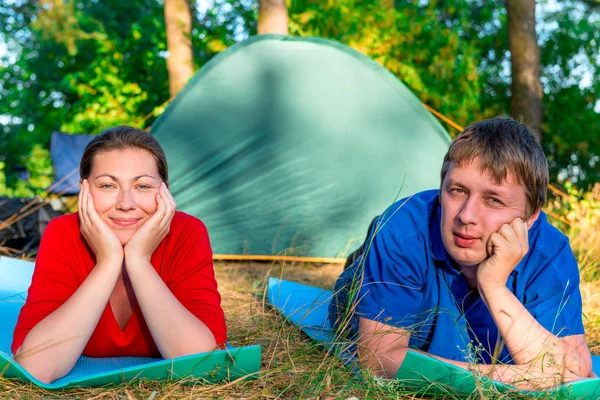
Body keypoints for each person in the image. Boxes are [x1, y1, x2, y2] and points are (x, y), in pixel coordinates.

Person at [330, 117, 594, 390]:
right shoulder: (403, 230)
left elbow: (576, 373)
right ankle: (364, 254)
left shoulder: (549, 252)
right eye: (457, 191)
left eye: (494, 200)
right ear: (442, 187)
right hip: (383, 259)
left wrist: (493, 285)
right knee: (372, 252)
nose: (467, 216)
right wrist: (524, 378)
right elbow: (378, 362)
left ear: (531, 216)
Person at [12, 126, 226, 383]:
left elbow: (202, 364)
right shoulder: (64, 233)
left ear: (164, 191)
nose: (126, 203)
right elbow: (36, 366)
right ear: (85, 190)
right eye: (107, 185)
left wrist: (138, 260)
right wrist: (108, 262)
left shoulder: (186, 233)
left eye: (143, 186)